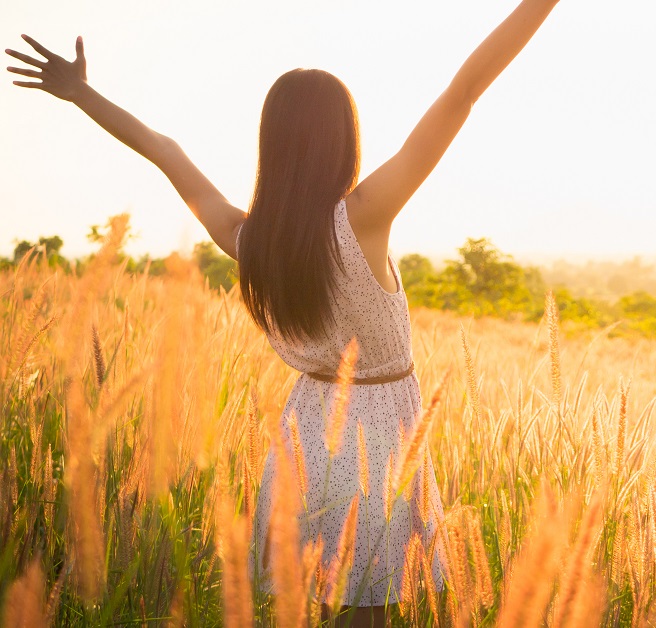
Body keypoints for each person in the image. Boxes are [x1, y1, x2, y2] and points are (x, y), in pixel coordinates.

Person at [7, 0, 562, 624]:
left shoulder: (247, 239)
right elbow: (463, 93)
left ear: (270, 143)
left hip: (307, 435)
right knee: (366, 615)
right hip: (378, 443)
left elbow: (165, 151)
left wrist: (84, 96)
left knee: (323, 608)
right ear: (343, 139)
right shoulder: (366, 215)